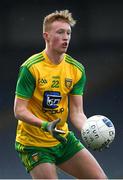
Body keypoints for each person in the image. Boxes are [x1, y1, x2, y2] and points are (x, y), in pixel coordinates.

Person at [14, 9, 107, 179]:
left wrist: (91, 131)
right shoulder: (31, 67)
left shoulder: (76, 69)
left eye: (68, 33)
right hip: (34, 144)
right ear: (46, 36)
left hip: (62, 139)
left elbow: (77, 113)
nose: (66, 37)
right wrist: (45, 125)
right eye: (60, 32)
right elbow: (19, 111)